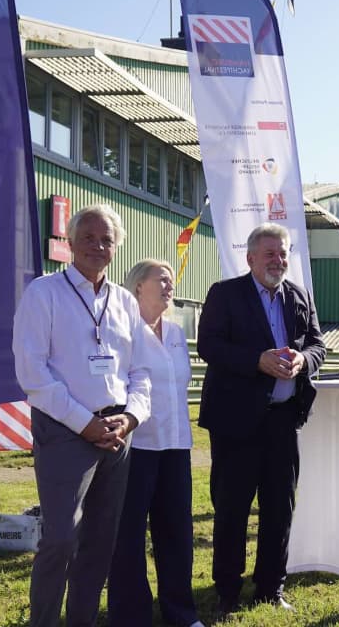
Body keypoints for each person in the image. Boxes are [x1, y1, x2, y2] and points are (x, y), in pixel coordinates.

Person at [12, 204, 151, 627]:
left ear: (117, 247)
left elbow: (141, 370)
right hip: (65, 432)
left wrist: (131, 418)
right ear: (69, 243)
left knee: (99, 543)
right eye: (88, 237)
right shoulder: (44, 293)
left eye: (106, 239)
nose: (97, 245)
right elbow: (32, 372)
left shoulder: (125, 301)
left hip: (116, 434)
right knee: (60, 539)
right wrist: (83, 423)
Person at [196, 222, 326, 616]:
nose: (278, 259)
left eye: (283, 253)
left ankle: (271, 588)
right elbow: (209, 346)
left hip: (283, 421)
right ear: (250, 257)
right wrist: (257, 361)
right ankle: (228, 591)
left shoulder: (299, 295)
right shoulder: (225, 294)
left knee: (279, 508)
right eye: (270, 253)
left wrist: (304, 360)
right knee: (232, 509)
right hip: (236, 422)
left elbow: (318, 344)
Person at [108, 259, 203, 627]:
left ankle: (181, 613)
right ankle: (131, 616)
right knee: (129, 536)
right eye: (161, 280)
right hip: (137, 448)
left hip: (176, 446)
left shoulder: (177, 333)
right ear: (137, 288)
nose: (169, 286)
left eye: (171, 281)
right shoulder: (122, 332)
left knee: (177, 533)